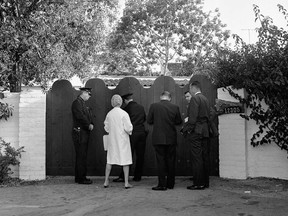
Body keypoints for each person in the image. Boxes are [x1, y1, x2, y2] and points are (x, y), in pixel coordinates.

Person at [147, 91, 182, 191]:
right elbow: (178, 121)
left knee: (160, 161)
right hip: (171, 138)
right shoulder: (175, 107)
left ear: (160, 97)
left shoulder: (154, 106)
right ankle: (170, 184)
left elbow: (149, 121)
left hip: (158, 138)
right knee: (171, 161)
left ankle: (162, 184)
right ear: (169, 98)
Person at [113, 93, 147, 183]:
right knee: (140, 156)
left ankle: (124, 176)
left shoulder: (125, 109)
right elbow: (144, 119)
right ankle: (137, 176)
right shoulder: (141, 107)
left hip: (131, 134)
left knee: (128, 155)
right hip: (141, 132)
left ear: (125, 100)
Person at [103, 94, 133, 189]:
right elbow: (128, 128)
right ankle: (126, 183)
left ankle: (106, 181)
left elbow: (106, 128)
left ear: (112, 102)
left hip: (112, 140)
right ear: (120, 102)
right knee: (125, 160)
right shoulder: (124, 113)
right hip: (123, 140)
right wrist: (129, 131)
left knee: (110, 160)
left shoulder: (109, 114)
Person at [186, 81, 210, 190]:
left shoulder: (195, 99)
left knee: (196, 158)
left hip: (197, 131)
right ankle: (205, 182)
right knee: (204, 156)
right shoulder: (205, 98)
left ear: (193, 88)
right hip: (205, 131)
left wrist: (189, 130)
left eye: (190, 89)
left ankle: (198, 183)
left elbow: (192, 118)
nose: (190, 91)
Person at [71, 87, 94, 184]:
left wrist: (90, 123)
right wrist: (88, 124)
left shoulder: (82, 103)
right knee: (81, 155)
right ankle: (81, 178)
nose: (89, 97)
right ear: (84, 93)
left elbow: (87, 115)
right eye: (89, 94)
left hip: (83, 132)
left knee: (82, 155)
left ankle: (80, 177)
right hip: (80, 132)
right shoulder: (77, 103)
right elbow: (80, 116)